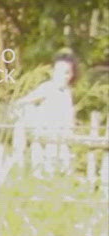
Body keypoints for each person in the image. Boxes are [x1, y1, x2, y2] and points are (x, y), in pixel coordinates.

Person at [9, 51, 79, 179]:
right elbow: (21, 102)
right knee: (43, 168)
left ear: (71, 74)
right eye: (59, 72)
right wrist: (30, 118)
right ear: (53, 72)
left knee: (62, 168)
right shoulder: (47, 88)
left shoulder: (67, 93)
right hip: (44, 136)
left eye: (67, 72)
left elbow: (68, 118)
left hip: (62, 137)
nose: (63, 76)